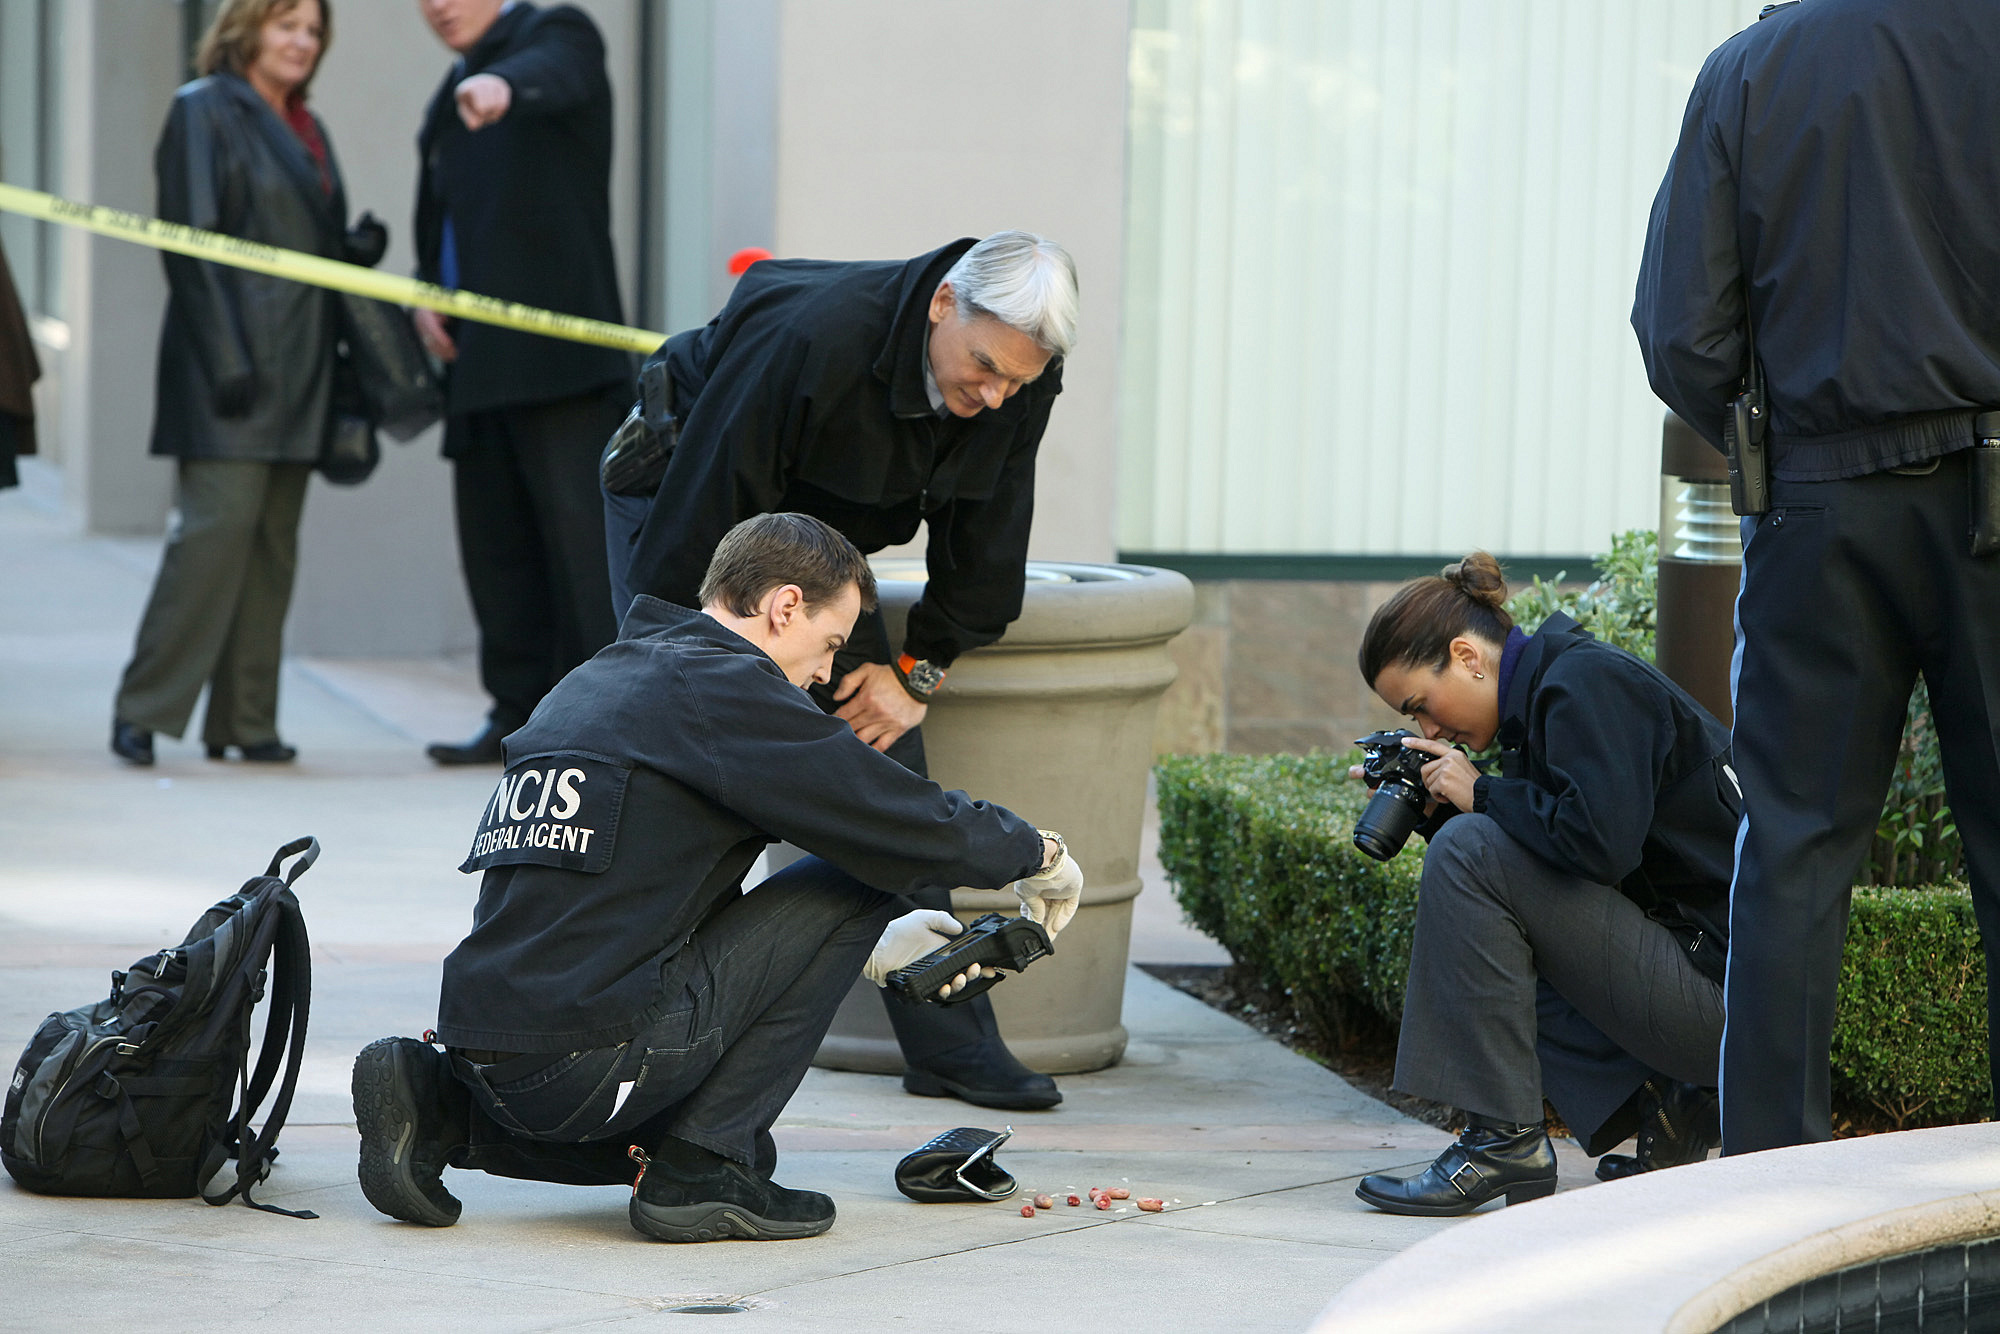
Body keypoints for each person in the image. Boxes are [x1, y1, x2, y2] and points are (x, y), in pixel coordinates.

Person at [350, 512, 1084, 1243]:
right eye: (830, 643)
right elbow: (900, 818)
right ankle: (701, 1170)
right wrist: (1036, 854)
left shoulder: (601, 677)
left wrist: (863, 948)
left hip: (493, 1052)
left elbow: (634, 888)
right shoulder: (723, 688)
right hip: (581, 1066)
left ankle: (443, 1105)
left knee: (720, 1140)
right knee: (859, 873)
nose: (826, 672)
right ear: (784, 605)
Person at [1633, 0, 2000, 1156]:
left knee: (1790, 845)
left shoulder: (1748, 66)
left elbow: (1677, 333)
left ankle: (1766, 1191)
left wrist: (1783, 439)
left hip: (1818, 500)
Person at [600, 230, 1078, 1112]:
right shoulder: (808, 338)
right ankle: (649, 1024)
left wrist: (914, 671)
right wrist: (730, 674)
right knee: (689, 748)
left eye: (1015, 379)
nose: (995, 393)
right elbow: (698, 525)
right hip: (686, 499)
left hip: (820, 539)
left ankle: (950, 1045)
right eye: (982, 367)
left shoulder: (1018, 374)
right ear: (943, 302)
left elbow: (988, 546)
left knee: (879, 761)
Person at [1346, 555, 1738, 1216]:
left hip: (1729, 1012)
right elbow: (1528, 881)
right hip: (1708, 995)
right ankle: (1673, 1107)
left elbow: (1598, 847)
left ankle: (1502, 1142)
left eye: (1421, 707)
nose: (1429, 732)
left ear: (1468, 657)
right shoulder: (1554, 691)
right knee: (1472, 854)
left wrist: (1483, 796)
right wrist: (1450, 811)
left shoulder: (1583, 683)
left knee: (1474, 848)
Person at [110, 0, 385, 768]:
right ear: (247, 29)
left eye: (313, 29)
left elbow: (300, 240)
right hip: (228, 365)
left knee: (271, 546)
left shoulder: (306, 125)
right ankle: (143, 709)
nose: (302, 41)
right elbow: (190, 245)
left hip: (303, 365)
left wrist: (349, 248)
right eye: (286, 24)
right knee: (211, 536)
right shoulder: (203, 110)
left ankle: (246, 720)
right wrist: (228, 359)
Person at [413, 0, 630, 766]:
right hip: (477, 368)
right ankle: (516, 719)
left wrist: (506, 85)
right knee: (497, 556)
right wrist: (426, 291)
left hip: (558, 371)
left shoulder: (555, 35)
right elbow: (447, 214)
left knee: (578, 556)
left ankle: (598, 729)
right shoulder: (454, 83)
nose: (438, 7)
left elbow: (554, 75)